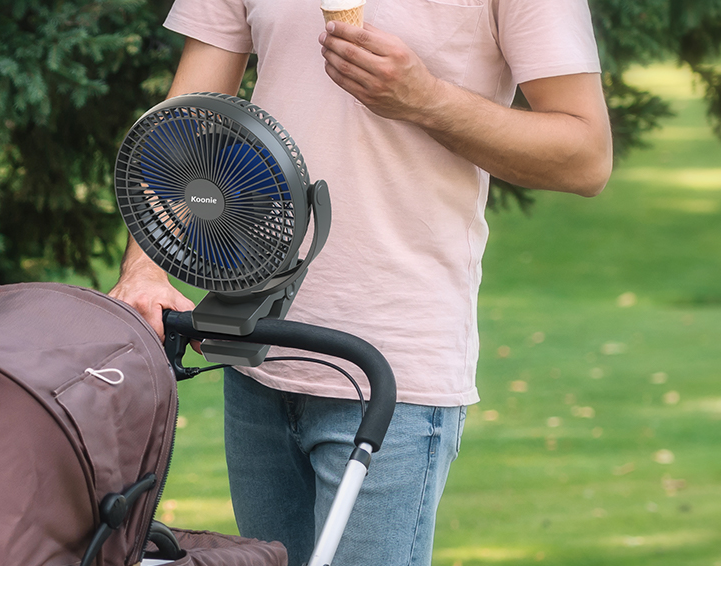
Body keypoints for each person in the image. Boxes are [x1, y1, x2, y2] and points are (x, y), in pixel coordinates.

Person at [109, 0, 611, 565]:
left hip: (392, 373)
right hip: (258, 352)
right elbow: (182, 124)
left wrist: (428, 100)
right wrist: (145, 269)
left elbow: (585, 157)